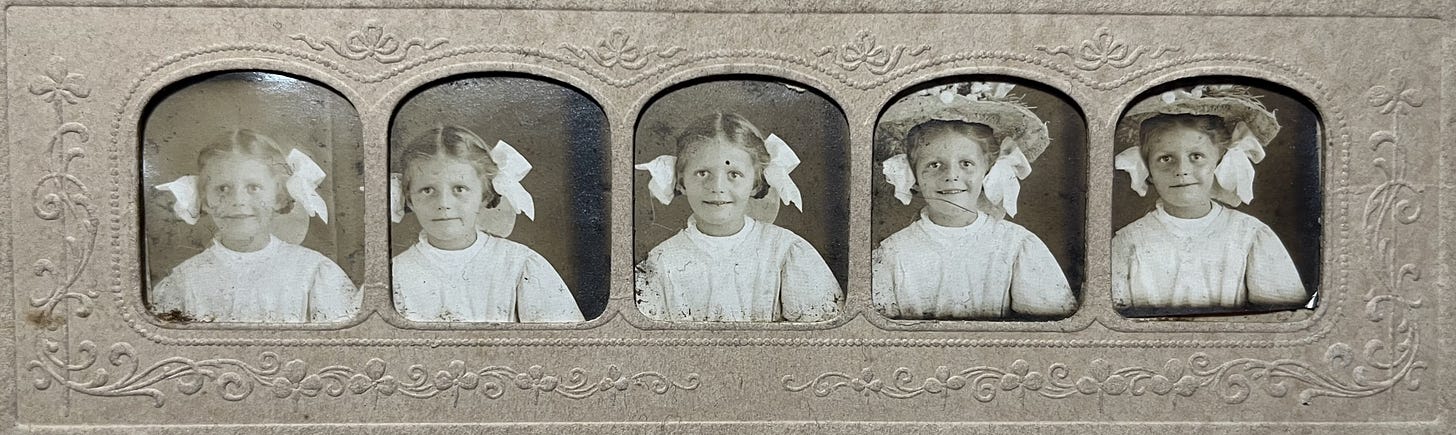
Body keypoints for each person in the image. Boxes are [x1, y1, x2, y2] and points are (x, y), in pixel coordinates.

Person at [872, 82, 1076, 320]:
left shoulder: (1016, 246)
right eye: (934, 165)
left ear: (987, 170)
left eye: (966, 164)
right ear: (913, 176)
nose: (951, 176)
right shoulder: (893, 254)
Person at [1111, 85, 1308, 314]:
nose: (1182, 170)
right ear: (1147, 168)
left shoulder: (1249, 235)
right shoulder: (1129, 242)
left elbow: (1281, 321)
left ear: (1219, 160)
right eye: (1165, 159)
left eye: (1196, 157)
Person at [634, 113, 842, 322]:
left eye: (733, 174)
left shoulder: (785, 251)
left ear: (755, 183)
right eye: (703, 173)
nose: (717, 188)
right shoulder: (662, 262)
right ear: (681, 181)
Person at [151, 129, 359, 323]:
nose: (238, 200)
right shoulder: (184, 282)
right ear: (204, 199)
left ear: (279, 196)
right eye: (222, 188)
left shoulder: (313, 273)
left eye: (254, 187)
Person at [389, 125, 584, 323]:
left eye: (459, 189)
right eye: (428, 190)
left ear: (484, 195)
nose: (444, 204)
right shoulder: (395, 274)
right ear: (409, 199)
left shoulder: (519, 266)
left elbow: (564, 347)